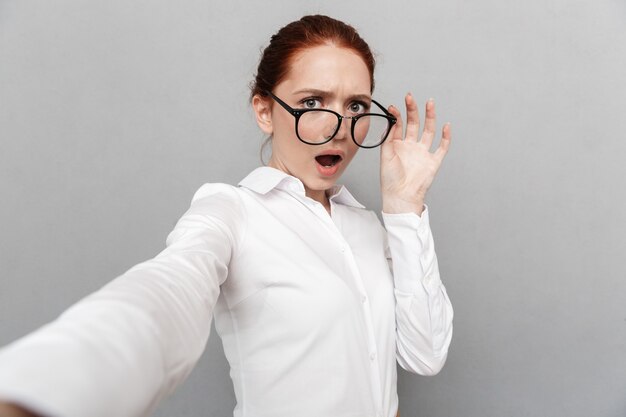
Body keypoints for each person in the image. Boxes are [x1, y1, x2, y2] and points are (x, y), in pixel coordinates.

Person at [0, 14, 453, 417]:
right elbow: (166, 291)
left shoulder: (369, 226)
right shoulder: (232, 212)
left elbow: (425, 356)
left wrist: (405, 206)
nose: (338, 129)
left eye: (355, 106)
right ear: (264, 110)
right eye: (313, 103)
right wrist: (44, 386)